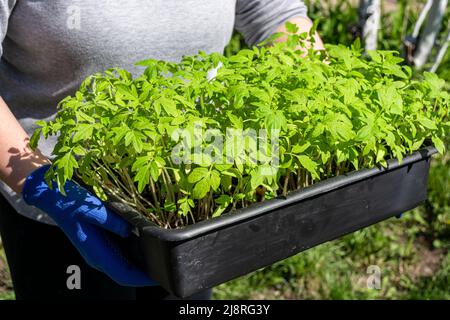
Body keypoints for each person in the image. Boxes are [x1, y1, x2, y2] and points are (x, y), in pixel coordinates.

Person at [0, 0, 324, 300]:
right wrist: (41, 184)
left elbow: (274, 15)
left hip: (192, 198)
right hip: (62, 208)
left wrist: (320, 107)